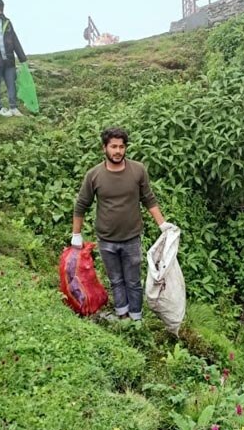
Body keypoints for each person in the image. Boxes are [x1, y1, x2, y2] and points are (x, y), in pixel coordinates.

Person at [72, 127, 175, 321]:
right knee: (116, 280)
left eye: (121, 146)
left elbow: (148, 199)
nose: (118, 151)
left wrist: (162, 224)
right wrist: (76, 234)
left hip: (131, 238)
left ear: (125, 148)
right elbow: (81, 205)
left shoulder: (137, 170)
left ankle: (136, 318)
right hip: (106, 239)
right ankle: (122, 315)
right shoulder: (94, 175)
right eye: (113, 147)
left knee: (133, 281)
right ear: (105, 148)